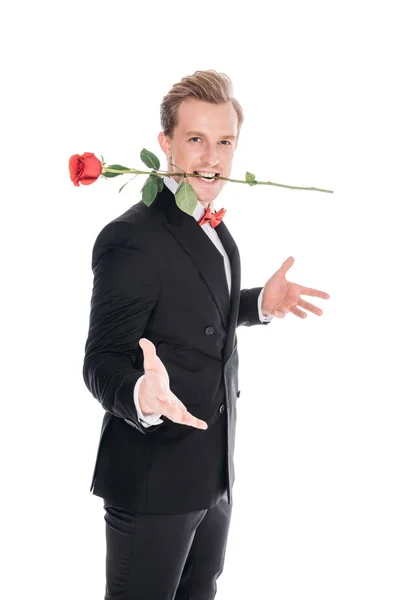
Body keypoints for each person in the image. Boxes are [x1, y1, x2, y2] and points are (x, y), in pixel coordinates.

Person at [82, 69, 330, 600]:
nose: (212, 158)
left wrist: (258, 303)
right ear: (165, 144)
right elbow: (100, 358)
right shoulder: (131, 238)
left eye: (224, 142)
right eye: (196, 140)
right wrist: (139, 395)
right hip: (152, 480)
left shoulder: (207, 223)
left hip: (213, 474)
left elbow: (192, 311)